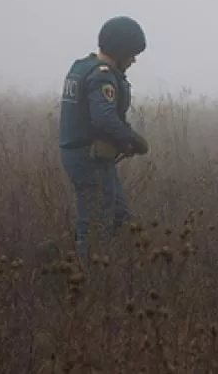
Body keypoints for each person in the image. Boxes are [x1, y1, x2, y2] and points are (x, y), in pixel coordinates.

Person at [58, 16, 150, 263]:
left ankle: (114, 265)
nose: (134, 60)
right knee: (97, 222)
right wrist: (132, 139)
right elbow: (104, 117)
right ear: (121, 51)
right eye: (132, 54)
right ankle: (87, 276)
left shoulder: (82, 67)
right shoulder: (102, 76)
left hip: (89, 156)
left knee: (119, 215)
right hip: (89, 159)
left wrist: (122, 143)